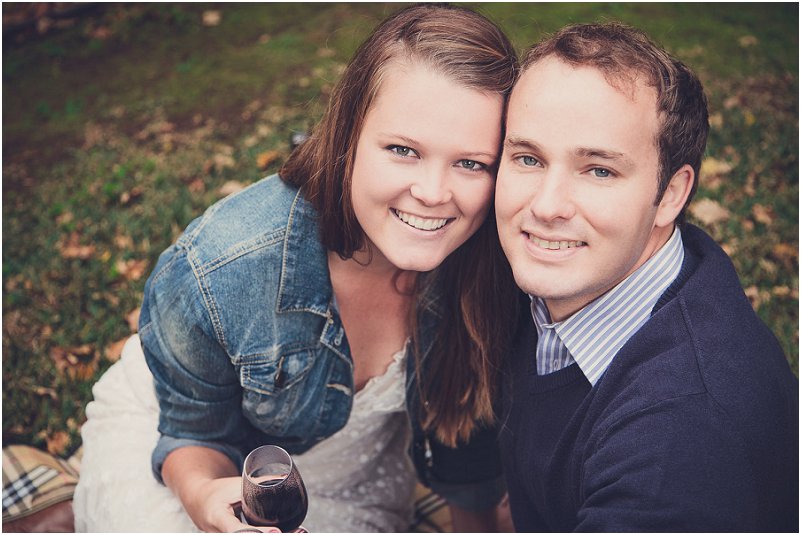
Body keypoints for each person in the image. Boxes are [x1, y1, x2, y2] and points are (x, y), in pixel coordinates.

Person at [73, 4, 520, 532]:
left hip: (351, 474)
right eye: (403, 150)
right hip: (197, 462)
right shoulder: (221, 269)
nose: (432, 192)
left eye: (471, 163)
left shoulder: (490, 258)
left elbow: (466, 437)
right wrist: (205, 499)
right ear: (348, 135)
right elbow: (194, 435)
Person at [494, 22, 799, 532]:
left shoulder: (681, 439)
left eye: (599, 170)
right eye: (528, 158)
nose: (545, 206)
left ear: (671, 194)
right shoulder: (590, 275)